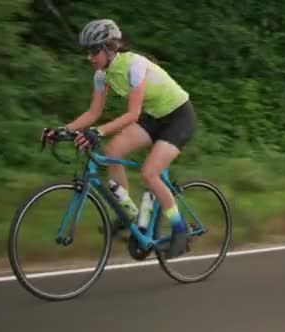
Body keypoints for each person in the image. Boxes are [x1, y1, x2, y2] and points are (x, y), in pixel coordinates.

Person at [44, 19, 196, 258]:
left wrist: (98, 131)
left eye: (94, 51)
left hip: (179, 117)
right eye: (88, 51)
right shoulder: (101, 75)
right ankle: (129, 214)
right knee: (112, 151)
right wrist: (63, 129)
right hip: (154, 117)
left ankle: (180, 230)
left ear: (109, 48)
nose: (90, 57)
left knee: (149, 173)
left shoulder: (133, 64)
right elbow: (93, 113)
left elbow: (132, 114)